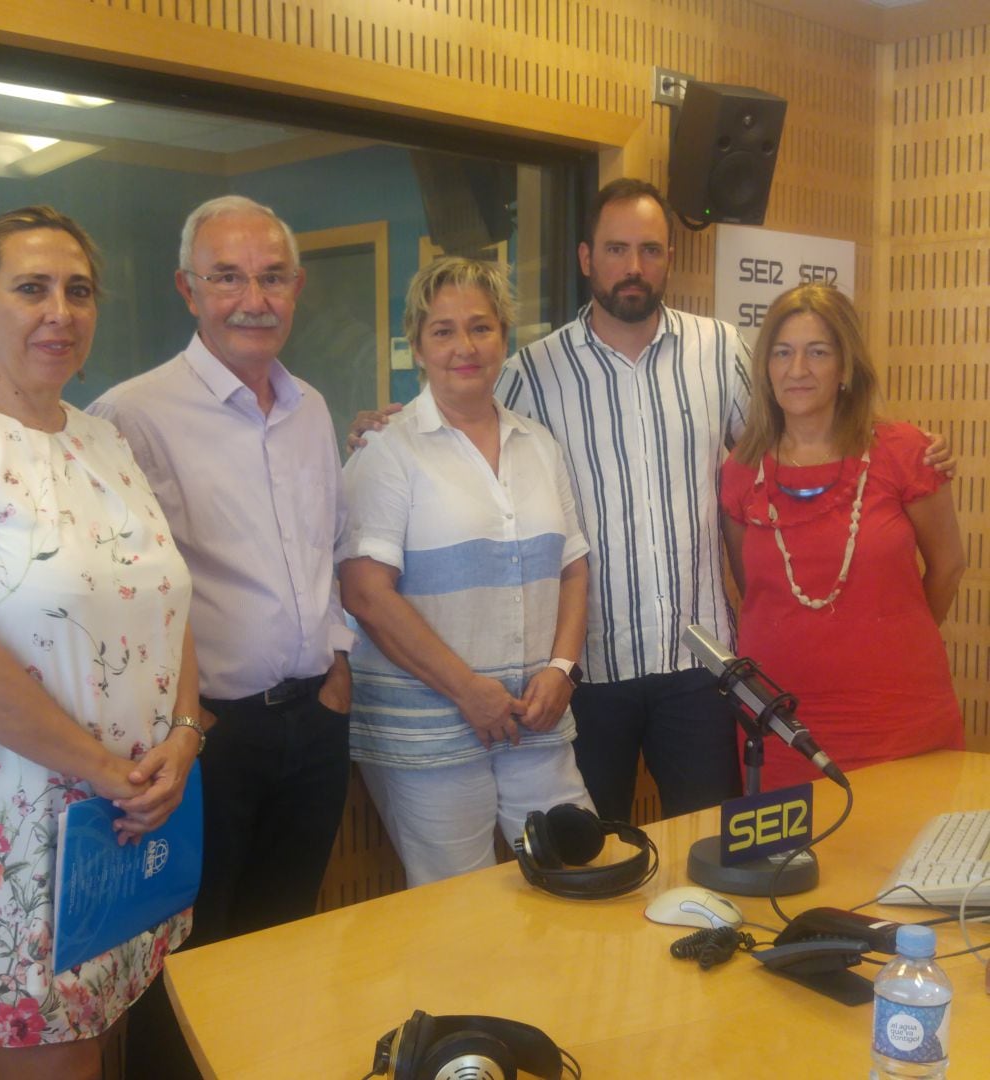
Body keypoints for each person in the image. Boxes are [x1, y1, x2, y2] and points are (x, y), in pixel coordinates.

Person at [352, 178, 954, 823]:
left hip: (703, 669)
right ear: (587, 258)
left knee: (715, 846)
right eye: (616, 249)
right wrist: (389, 425)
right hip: (585, 672)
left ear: (670, 257)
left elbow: (795, 426)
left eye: (650, 250)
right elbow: (463, 423)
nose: (633, 266)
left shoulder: (719, 350)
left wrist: (896, 445)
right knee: (597, 855)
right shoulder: (533, 372)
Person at [0, 206, 201, 1080]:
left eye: (78, 291)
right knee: (59, 1057)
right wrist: (108, 770)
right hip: (11, 825)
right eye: (31, 289)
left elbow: (167, 600)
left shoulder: (103, 437)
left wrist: (186, 732)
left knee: (101, 1037)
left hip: (125, 818)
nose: (59, 313)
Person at [89, 194, 353, 942]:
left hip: (316, 723)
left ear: (297, 287)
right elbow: (117, 594)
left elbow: (327, 548)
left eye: (273, 277)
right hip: (208, 736)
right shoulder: (131, 416)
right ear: (188, 289)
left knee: (285, 939)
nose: (253, 299)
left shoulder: (311, 409)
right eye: (228, 277)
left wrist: (337, 667)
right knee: (193, 950)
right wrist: (192, 718)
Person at [338, 257, 593, 886]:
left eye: (480, 327)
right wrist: (466, 690)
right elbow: (366, 594)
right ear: (418, 346)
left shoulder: (539, 445)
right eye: (443, 331)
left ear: (504, 336)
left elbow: (572, 567)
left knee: (580, 872)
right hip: (429, 734)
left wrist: (562, 668)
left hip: (535, 718)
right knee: (458, 909)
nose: (465, 347)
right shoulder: (387, 450)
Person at [719, 284, 965, 791]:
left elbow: (949, 565)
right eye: (782, 353)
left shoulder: (906, 452)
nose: (797, 369)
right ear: (765, 368)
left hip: (900, 713)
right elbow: (754, 590)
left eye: (817, 352)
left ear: (845, 367)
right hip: (781, 720)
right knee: (794, 844)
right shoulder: (742, 470)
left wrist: (896, 636)